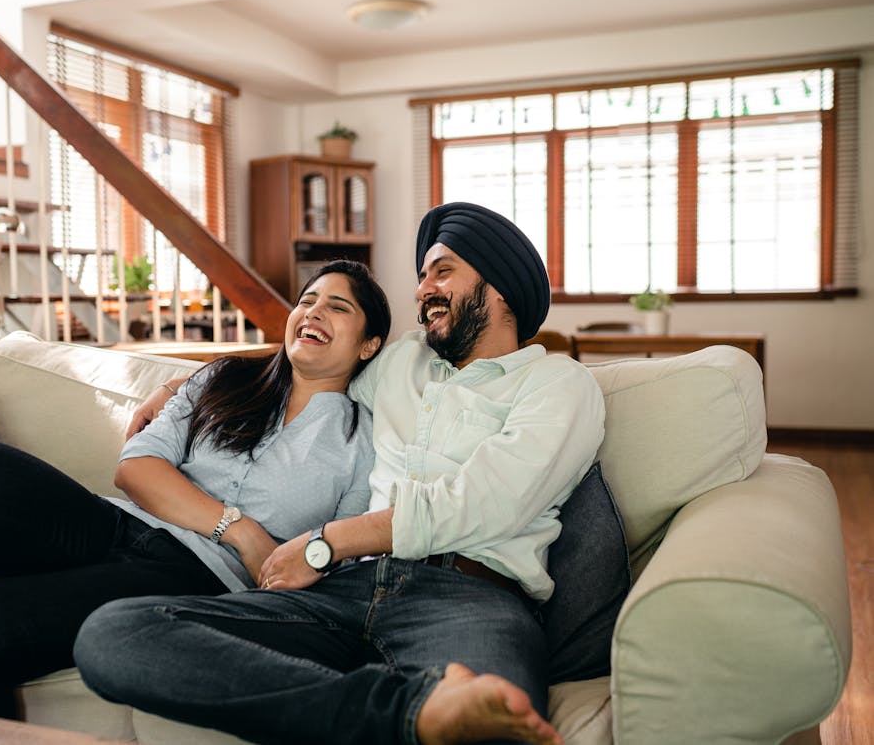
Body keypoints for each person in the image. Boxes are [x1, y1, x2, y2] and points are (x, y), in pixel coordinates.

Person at [0, 260, 391, 722]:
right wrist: (240, 528)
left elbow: (344, 559)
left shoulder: (364, 443)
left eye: (339, 307)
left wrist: (282, 559)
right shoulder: (222, 380)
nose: (313, 312)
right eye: (308, 299)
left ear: (369, 344)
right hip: (120, 525)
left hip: (192, 580)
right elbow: (136, 468)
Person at [73, 202, 606, 745]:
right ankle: (402, 713)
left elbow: (486, 501)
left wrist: (328, 542)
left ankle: (411, 712)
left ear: (501, 290)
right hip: (342, 592)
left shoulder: (558, 384)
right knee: (115, 632)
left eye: (442, 272)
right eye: (421, 277)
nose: (422, 290)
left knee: (496, 727)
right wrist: (188, 382)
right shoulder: (402, 363)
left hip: (467, 598)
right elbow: (309, 352)